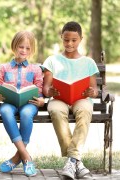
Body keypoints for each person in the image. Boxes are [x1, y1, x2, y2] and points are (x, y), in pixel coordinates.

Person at [43, 21, 99, 179]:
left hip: (80, 98)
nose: (69, 43)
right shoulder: (52, 61)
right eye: (66, 40)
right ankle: (76, 162)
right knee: (55, 110)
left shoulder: (88, 63)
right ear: (61, 37)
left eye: (74, 40)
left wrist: (91, 91)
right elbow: (46, 89)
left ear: (81, 39)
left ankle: (71, 160)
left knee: (86, 110)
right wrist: (50, 91)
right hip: (59, 98)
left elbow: (94, 90)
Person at [0, 31, 44, 177]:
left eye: (28, 48)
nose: (24, 51)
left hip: (29, 103)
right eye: (21, 47)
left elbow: (39, 90)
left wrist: (41, 100)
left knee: (26, 113)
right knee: (5, 111)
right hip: (9, 102)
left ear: (32, 50)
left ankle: (17, 157)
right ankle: (26, 157)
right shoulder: (3, 68)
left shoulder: (35, 69)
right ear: (14, 46)